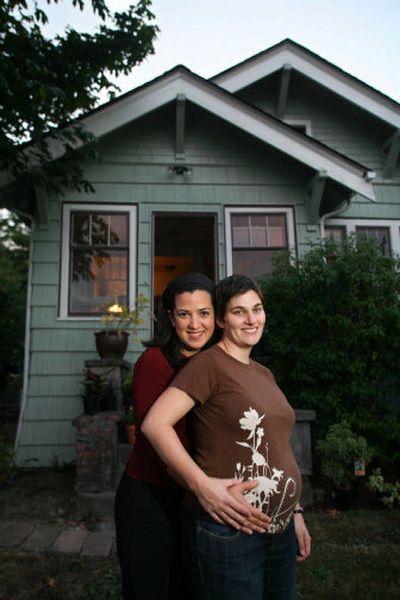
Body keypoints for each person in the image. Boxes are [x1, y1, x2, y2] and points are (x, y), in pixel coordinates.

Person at [143, 274, 312, 600]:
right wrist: (201, 486)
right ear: (221, 319)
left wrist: (296, 513)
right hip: (230, 531)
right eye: (239, 311)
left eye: (257, 309)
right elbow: (155, 424)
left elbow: (277, 446)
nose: (251, 319)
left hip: (279, 528)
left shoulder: (263, 373)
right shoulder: (208, 365)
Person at [114, 272, 269, 600]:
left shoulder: (218, 362)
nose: (195, 324)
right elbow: (154, 439)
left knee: (190, 586)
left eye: (204, 313)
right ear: (170, 317)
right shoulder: (153, 363)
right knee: (152, 588)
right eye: (184, 314)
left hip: (195, 498)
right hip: (152, 497)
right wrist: (207, 488)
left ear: (218, 316)